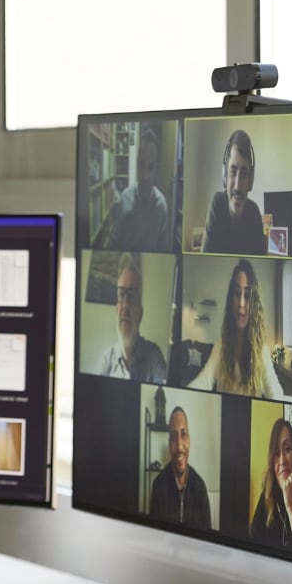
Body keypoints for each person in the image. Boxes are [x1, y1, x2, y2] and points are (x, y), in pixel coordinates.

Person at [190, 257, 285, 399]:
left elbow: (275, 390)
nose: (241, 303)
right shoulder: (222, 344)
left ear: (254, 303)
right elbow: (205, 380)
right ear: (231, 298)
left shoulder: (261, 349)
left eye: (247, 295)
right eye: (237, 293)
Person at [98, 124, 172, 252]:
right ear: (137, 164)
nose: (145, 175)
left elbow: (163, 250)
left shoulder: (161, 205)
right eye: (141, 165)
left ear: (157, 169)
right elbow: (115, 240)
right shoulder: (125, 198)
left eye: (150, 167)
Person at [249, 416, 292, 554]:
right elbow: (251, 554)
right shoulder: (265, 502)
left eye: (287, 449)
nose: (282, 461)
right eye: (276, 453)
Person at [97, 252, 167, 383]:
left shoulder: (154, 356)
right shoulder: (106, 360)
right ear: (116, 310)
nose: (125, 305)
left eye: (131, 296)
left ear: (140, 313)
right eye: (121, 295)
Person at [147, 397, 212, 529]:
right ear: (169, 443)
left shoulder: (200, 487)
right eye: (173, 437)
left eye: (184, 434)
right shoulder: (158, 486)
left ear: (189, 439)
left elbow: (207, 537)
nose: (179, 446)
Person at [202, 129, 267, 255]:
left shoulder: (254, 212)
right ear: (225, 175)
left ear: (250, 180)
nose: (237, 186)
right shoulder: (217, 204)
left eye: (244, 174)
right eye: (233, 172)